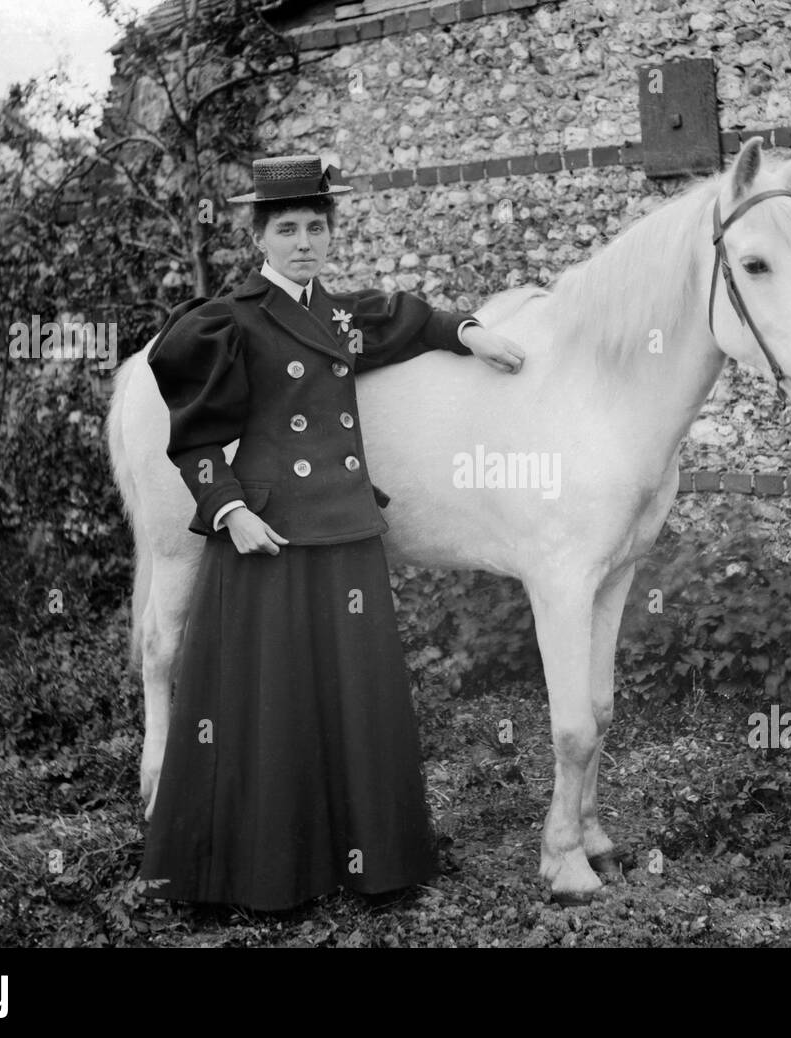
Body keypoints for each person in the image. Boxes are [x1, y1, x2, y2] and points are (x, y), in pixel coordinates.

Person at [139, 155, 526, 911]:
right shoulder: (228, 319)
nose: (305, 242)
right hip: (269, 536)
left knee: (352, 699)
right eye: (287, 228)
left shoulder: (340, 313)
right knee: (270, 704)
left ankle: (367, 864)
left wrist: (470, 331)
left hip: (345, 527)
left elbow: (406, 318)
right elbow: (194, 440)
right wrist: (230, 511)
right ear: (259, 235)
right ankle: (263, 875)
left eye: (317, 227)